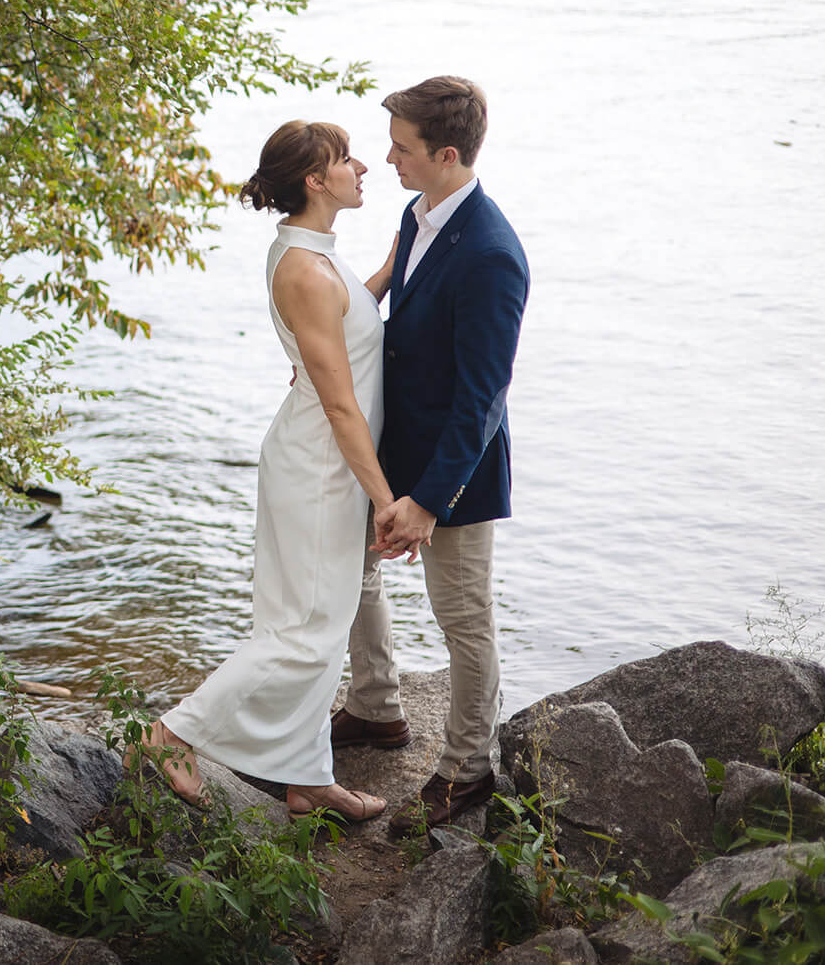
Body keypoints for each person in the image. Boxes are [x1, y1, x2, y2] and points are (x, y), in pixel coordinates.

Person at [133, 119, 400, 822]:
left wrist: (402, 259)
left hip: (319, 459)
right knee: (300, 632)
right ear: (316, 180)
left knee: (311, 622)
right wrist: (386, 501)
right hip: (320, 467)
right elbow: (342, 406)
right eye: (346, 159)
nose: (363, 166)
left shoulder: (313, 254)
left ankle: (307, 778)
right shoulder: (306, 271)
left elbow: (353, 317)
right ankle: (170, 733)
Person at [330, 76, 530, 835]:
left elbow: (483, 399)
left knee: (463, 617)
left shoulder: (490, 255)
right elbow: (393, 304)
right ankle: (378, 707)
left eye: (403, 148)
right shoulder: (418, 214)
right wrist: (332, 340)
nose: (387, 159)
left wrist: (428, 500)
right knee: (354, 570)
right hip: (391, 447)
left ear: (447, 154)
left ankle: (468, 767)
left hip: (457, 472)